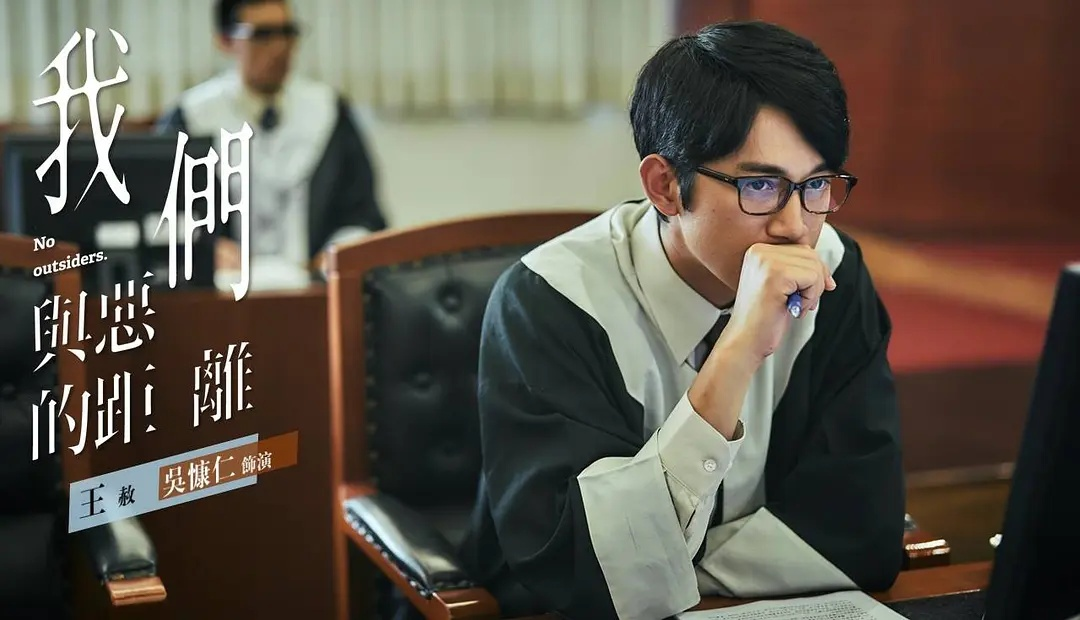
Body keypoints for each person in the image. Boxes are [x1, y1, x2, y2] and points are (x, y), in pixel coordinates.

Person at [456, 20, 905, 620]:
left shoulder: (834, 272)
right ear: (665, 186)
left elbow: (863, 531)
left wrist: (669, 569)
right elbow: (578, 573)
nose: (796, 226)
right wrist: (738, 350)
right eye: (760, 185)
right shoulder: (550, 302)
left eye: (817, 184)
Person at [156, 0, 387, 288]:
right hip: (222, 293)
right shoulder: (191, 118)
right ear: (225, 41)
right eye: (262, 35)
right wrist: (203, 248)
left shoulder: (329, 112)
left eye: (287, 33)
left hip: (316, 289)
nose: (279, 48)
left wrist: (339, 252)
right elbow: (159, 216)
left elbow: (363, 212)